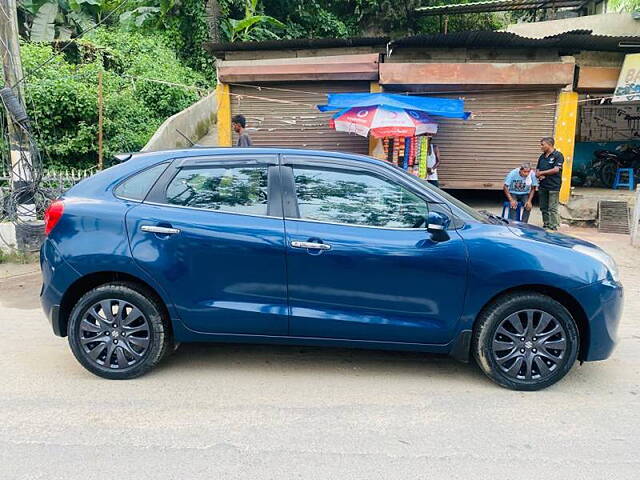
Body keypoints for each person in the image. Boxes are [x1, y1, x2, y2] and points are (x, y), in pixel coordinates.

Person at [536, 137, 564, 231]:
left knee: (552, 208)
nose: (541, 147)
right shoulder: (542, 157)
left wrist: (542, 173)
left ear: (549, 144)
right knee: (543, 207)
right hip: (543, 185)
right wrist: (538, 175)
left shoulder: (558, 155)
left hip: (553, 186)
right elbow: (538, 170)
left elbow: (556, 169)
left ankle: (553, 226)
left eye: (542, 144)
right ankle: (546, 224)